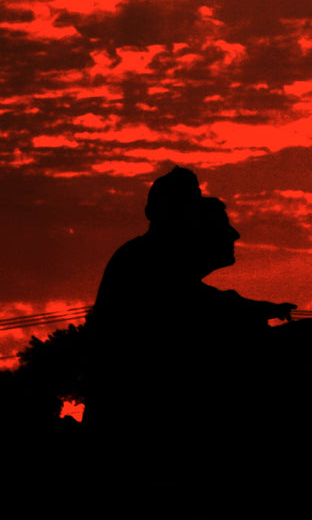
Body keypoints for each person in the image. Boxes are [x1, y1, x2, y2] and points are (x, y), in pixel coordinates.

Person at [83, 167, 296, 433]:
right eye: (186, 204)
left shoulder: (154, 259)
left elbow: (201, 302)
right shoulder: (146, 259)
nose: (234, 235)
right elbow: (197, 305)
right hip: (135, 422)